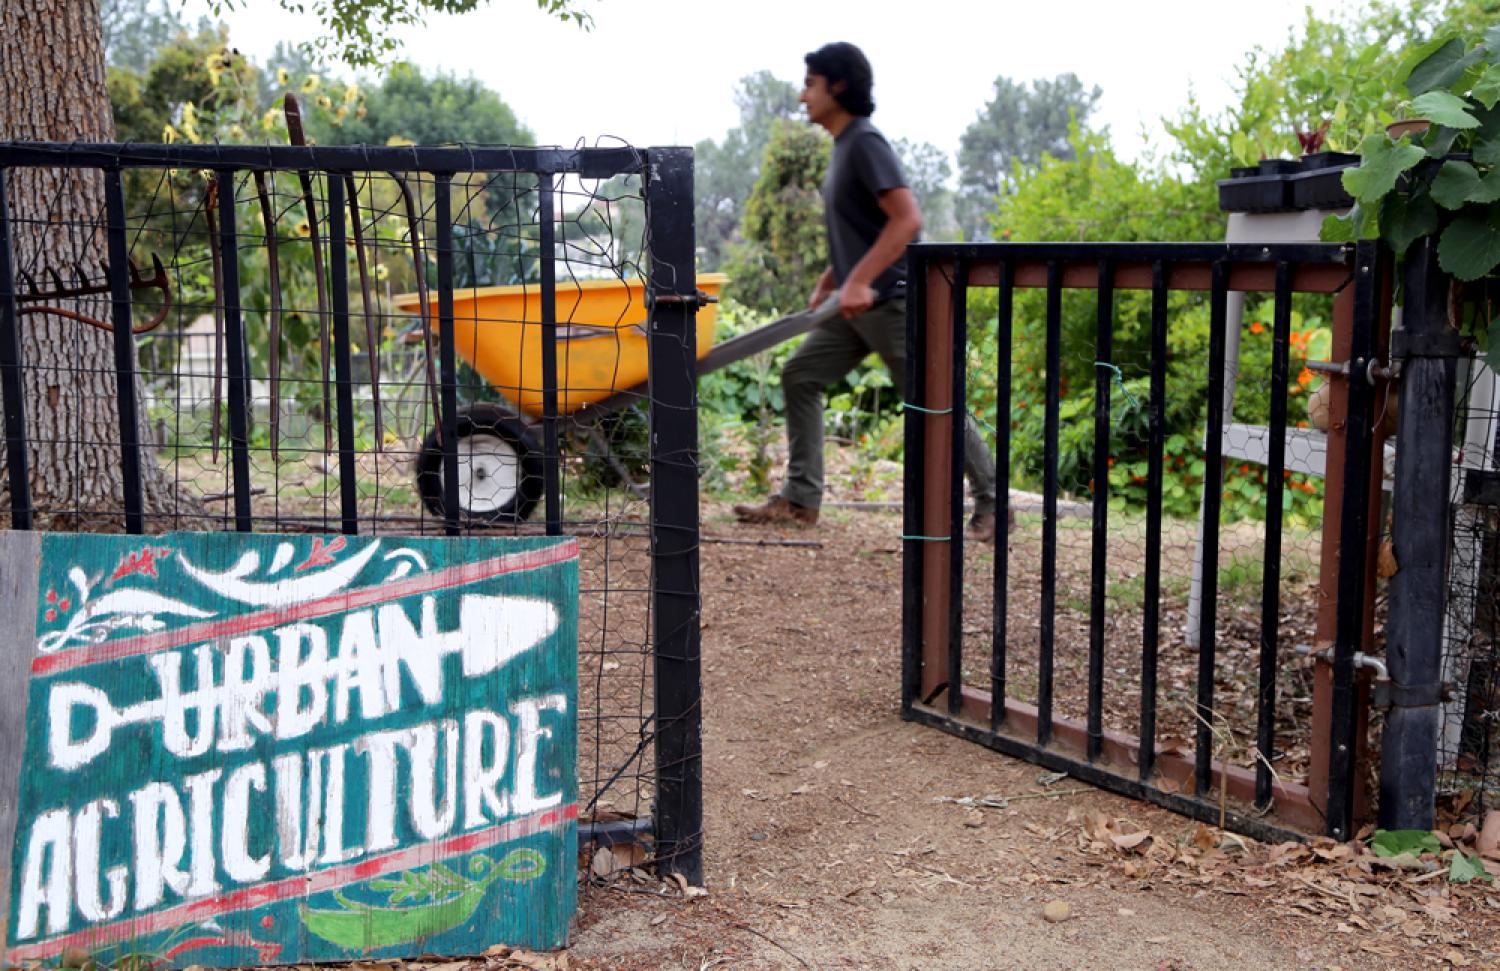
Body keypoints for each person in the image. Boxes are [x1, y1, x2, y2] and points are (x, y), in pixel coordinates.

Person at [733, 41, 1002, 540]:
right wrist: (834, 277)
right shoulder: (843, 147)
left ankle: (994, 502)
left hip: (893, 301)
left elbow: (908, 219)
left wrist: (857, 280)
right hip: (859, 303)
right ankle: (800, 499)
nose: (801, 96)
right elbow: (865, 226)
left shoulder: (864, 142)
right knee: (801, 375)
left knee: (934, 400)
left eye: (809, 84)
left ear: (838, 86)